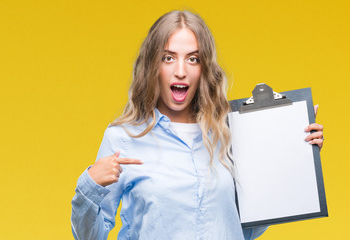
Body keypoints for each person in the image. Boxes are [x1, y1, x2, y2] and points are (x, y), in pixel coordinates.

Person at [71, 10, 324, 240]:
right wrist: (90, 184)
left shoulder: (229, 132)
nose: (181, 71)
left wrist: (294, 150)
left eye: (193, 59)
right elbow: (89, 237)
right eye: (168, 57)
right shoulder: (123, 138)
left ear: (204, 69)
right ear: (152, 65)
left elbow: (241, 228)